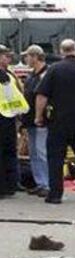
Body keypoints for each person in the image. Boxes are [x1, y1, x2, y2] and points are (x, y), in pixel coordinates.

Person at [34, 39, 75, 204]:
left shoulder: (54, 70)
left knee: (55, 158)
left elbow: (42, 95)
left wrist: (39, 116)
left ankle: (55, 194)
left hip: (58, 122)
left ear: (61, 51)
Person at [20, 45, 50, 197]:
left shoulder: (46, 74)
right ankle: (40, 182)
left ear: (35, 57)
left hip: (41, 121)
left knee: (42, 151)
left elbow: (43, 96)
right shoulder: (32, 75)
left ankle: (47, 183)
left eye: (27, 56)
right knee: (34, 153)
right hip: (30, 120)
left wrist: (40, 116)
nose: (25, 59)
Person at [0, 45, 22, 198]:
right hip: (6, 118)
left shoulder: (7, 74)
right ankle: (8, 185)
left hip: (5, 118)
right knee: (7, 152)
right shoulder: (6, 76)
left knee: (6, 152)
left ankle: (7, 185)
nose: (8, 59)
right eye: (5, 56)